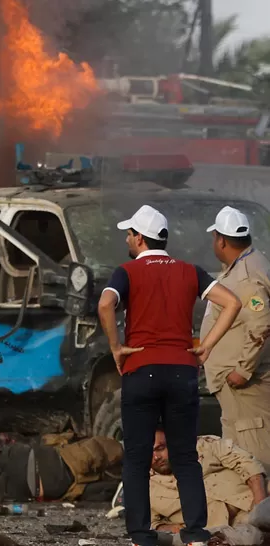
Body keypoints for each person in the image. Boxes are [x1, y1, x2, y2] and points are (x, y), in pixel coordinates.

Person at [97, 204, 243, 546]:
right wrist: (205, 346)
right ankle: (195, 534)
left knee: (136, 456)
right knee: (184, 457)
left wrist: (116, 347)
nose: (127, 239)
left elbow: (105, 304)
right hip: (182, 372)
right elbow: (232, 302)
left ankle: (141, 536)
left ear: (139, 238)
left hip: (141, 369)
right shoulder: (190, 271)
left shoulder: (127, 271)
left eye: (129, 234)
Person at [202, 206, 270, 468]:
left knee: (253, 459)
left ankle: (260, 508)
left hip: (246, 386)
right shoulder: (248, 264)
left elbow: (261, 323)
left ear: (222, 240)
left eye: (214, 238)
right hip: (237, 387)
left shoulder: (246, 277)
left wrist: (242, 369)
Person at [150, 428, 268, 532]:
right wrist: (171, 528)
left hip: (256, 500)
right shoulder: (144, 486)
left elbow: (249, 465)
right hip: (219, 531)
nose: (156, 457)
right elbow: (150, 524)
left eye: (160, 448)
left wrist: (259, 507)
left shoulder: (204, 445)